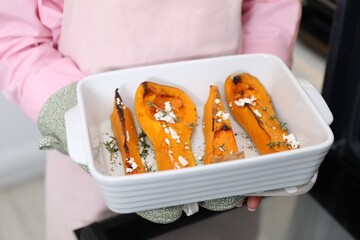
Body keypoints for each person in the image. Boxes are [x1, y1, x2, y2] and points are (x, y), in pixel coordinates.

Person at [0, 1, 307, 239]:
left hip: (232, 150)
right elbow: (13, 35)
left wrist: (260, 98)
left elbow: (269, 8)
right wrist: (68, 108)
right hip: (100, 162)